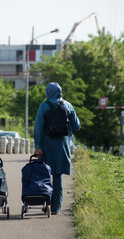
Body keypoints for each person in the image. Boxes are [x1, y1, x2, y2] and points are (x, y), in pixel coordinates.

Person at [33, 82, 80, 215]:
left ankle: (46, 202)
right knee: (57, 175)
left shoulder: (44, 106)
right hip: (63, 145)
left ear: (48, 92)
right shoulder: (68, 105)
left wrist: (38, 146)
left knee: (44, 174)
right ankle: (56, 207)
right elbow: (77, 126)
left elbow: (38, 127)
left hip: (47, 145)